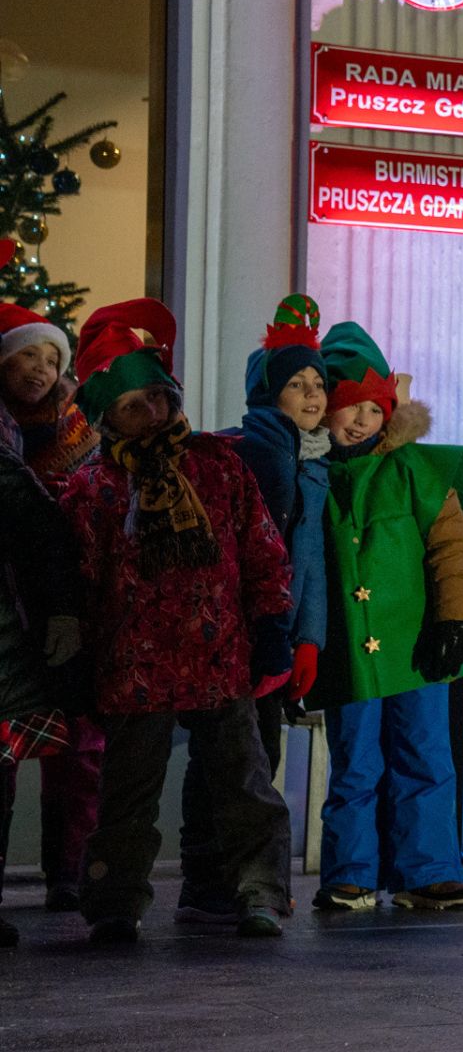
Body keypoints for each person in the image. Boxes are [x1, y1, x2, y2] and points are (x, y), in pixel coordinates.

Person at [61, 298, 294, 943]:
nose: (152, 414)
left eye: (158, 398)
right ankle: (113, 902)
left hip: (218, 655)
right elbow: (80, 580)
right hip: (133, 668)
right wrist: (77, 655)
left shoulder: (218, 467)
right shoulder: (97, 489)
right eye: (133, 405)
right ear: (107, 415)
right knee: (127, 795)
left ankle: (261, 893)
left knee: (245, 786)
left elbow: (261, 550)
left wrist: (271, 627)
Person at [307, 320, 463, 912]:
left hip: (417, 643)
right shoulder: (312, 476)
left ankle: (427, 870)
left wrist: (456, 622)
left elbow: (450, 549)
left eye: (372, 410)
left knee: (426, 754)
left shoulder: (417, 472)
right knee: (354, 759)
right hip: (350, 647)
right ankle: (349, 872)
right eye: (346, 407)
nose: (359, 420)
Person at [174, 294, 331, 923]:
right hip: (236, 634)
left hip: (274, 632)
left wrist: (307, 636)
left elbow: (309, 562)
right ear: (268, 393)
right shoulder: (252, 451)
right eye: (297, 384)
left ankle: (225, 882)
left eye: (319, 383)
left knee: (246, 754)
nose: (314, 395)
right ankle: (231, 882)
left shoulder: (309, 460)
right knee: (236, 759)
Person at [0, 303, 99, 915]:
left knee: (78, 747)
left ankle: (70, 870)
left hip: (68, 607)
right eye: (26, 356)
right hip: (14, 610)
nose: (41, 369)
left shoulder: (81, 432)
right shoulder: (3, 433)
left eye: (51, 358)